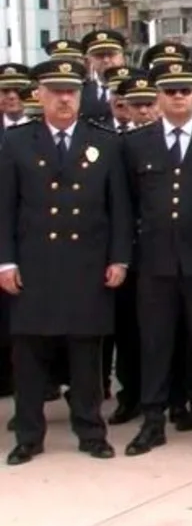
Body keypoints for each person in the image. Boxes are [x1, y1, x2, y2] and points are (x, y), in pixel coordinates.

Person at [0, 59, 134, 465]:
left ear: (80, 95)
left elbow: (120, 209)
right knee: (29, 356)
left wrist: (119, 258)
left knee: (86, 358)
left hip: (86, 265)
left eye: (70, 92)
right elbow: (5, 207)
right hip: (35, 264)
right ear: (38, 95)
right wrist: (5, 262)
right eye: (55, 91)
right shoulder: (18, 141)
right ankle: (28, 436)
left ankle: (91, 431)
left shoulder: (105, 141)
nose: (63, 99)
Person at [122, 61, 192, 457]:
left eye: (186, 90)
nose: (179, 97)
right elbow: (127, 206)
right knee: (155, 346)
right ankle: (153, 422)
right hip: (155, 264)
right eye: (170, 91)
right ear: (158, 97)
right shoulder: (136, 143)